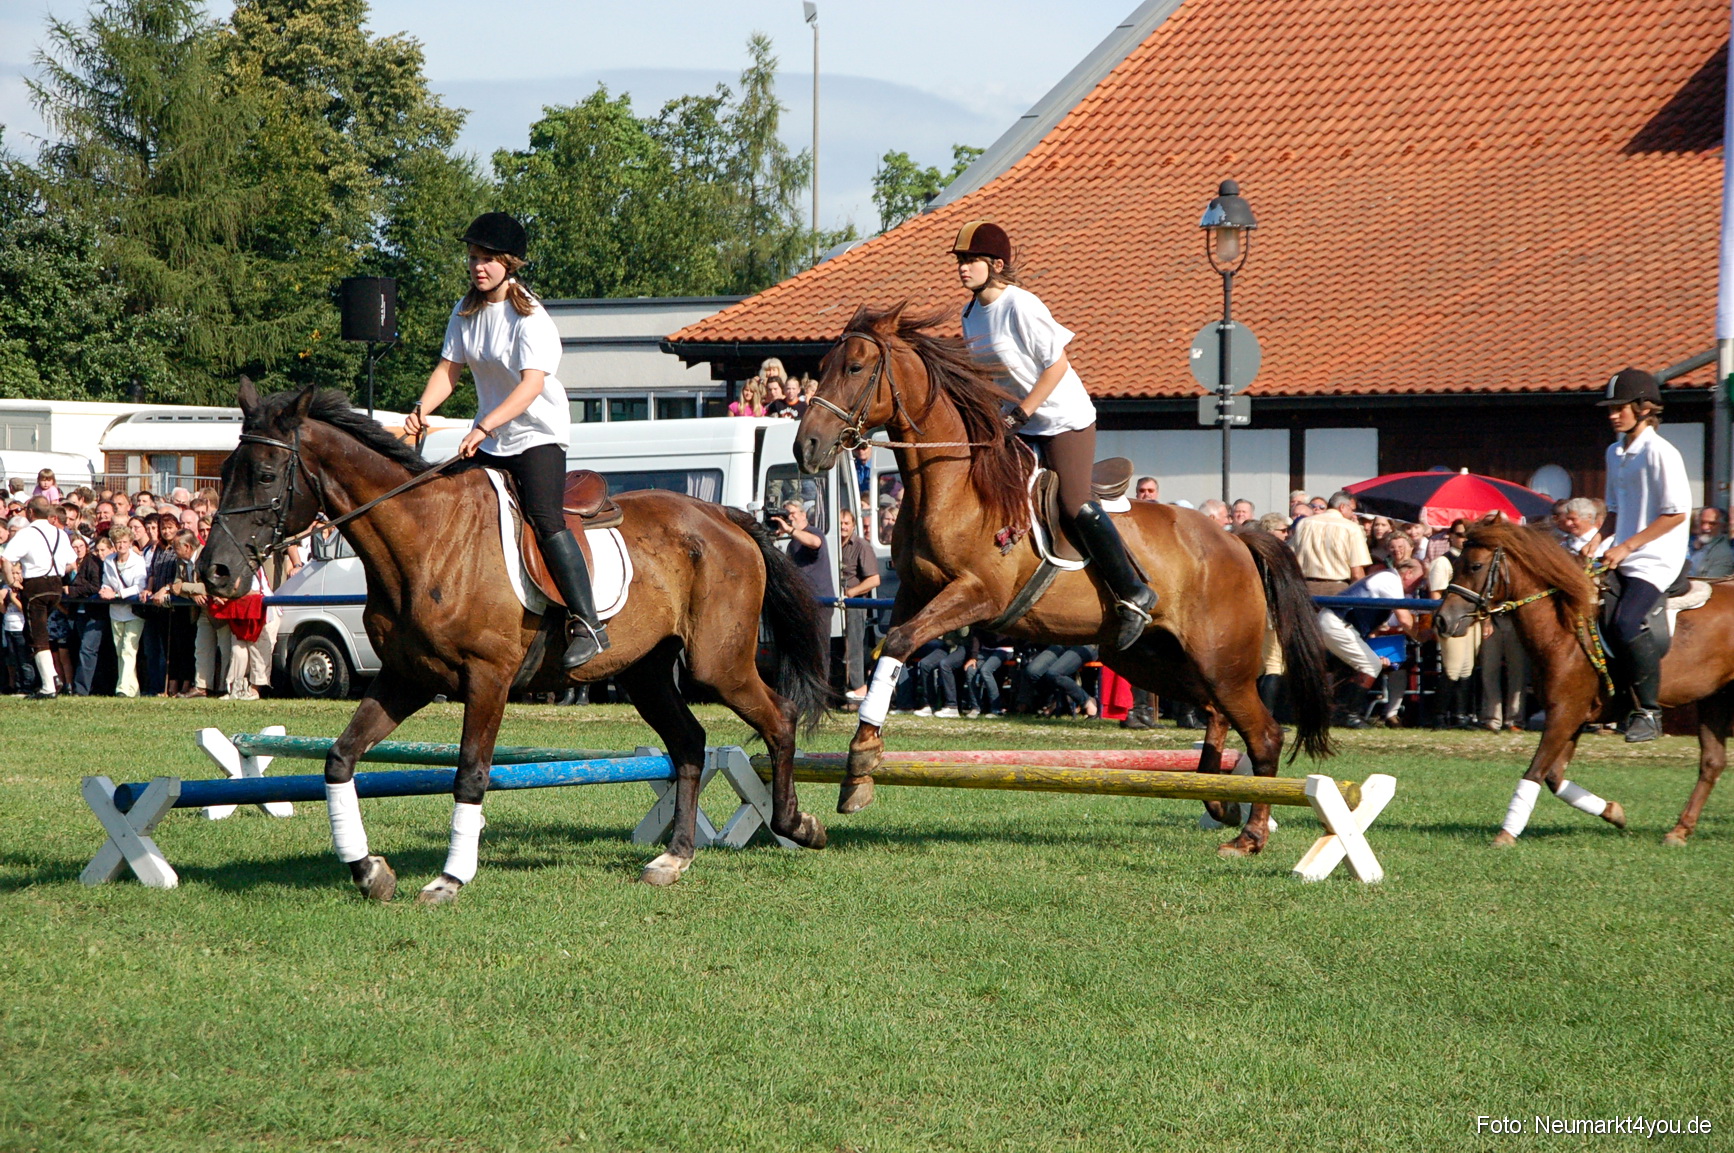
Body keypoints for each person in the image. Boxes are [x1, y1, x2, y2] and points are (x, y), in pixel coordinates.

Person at [403, 211, 607, 669]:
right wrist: (420, 411)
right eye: (473, 257)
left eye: (488, 258)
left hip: (536, 436)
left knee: (546, 519)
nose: (478, 266)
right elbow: (447, 372)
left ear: (510, 263)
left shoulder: (530, 317)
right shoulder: (465, 310)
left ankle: (589, 623)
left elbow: (530, 386)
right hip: (493, 438)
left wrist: (483, 426)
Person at [952, 219, 1155, 648]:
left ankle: (1134, 590)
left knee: (1074, 502)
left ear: (996, 264)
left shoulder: (1020, 305)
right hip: (1016, 422)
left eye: (971, 260)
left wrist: (1021, 413)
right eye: (960, 261)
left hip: (1064, 419)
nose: (963, 268)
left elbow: (1057, 365)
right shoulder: (970, 314)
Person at [1586, 367, 1691, 742]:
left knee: (1627, 623)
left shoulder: (1662, 452)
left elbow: (1677, 513)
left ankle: (1649, 711)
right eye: (1611, 409)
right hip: (1621, 551)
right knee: (1590, 615)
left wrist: (1628, 545)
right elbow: (1614, 510)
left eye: (1621, 407)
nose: (1614, 414)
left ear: (1645, 408)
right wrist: (1595, 538)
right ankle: (1608, 700)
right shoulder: (1615, 452)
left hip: (1657, 557)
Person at [3, 495, 75, 697]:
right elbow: (72, 562)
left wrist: (11, 582)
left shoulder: (28, 533)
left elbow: (6, 559)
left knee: (37, 635)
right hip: (56, 585)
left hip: (36, 585)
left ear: (30, 512)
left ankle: (49, 686)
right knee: (35, 632)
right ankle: (53, 676)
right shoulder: (61, 534)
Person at [1428, 519, 1479, 728]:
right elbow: (1435, 595)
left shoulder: (1472, 562)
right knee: (1452, 667)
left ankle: (1460, 715)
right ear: (1450, 536)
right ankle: (1439, 715)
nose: (1463, 539)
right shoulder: (1444, 562)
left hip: (1471, 619)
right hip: (1451, 619)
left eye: (1467, 535)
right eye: (1459, 534)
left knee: (1467, 668)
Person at [1291, 490, 1371, 595]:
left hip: (1306, 588)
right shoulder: (1351, 528)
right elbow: (1357, 573)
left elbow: (1290, 555)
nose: (1353, 514)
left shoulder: (1304, 523)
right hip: (1337, 590)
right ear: (1342, 507)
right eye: (1352, 510)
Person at [836, 508, 880, 700]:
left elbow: (874, 580)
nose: (843, 527)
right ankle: (837, 691)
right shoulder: (833, 546)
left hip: (855, 604)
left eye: (846, 523)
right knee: (836, 648)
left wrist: (852, 593)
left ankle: (857, 691)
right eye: (839, 523)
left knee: (854, 648)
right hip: (835, 603)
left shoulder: (862, 546)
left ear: (853, 525)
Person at [100, 523, 147, 697]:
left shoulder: (137, 560)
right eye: (118, 542)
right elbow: (106, 580)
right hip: (116, 611)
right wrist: (104, 590)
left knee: (129, 649)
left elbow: (139, 586)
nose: (121, 545)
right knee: (120, 650)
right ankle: (132, 689)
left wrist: (118, 594)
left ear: (130, 542)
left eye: (125, 542)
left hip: (133, 611)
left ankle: (121, 689)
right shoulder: (109, 560)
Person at [1687, 507, 1734, 578]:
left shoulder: (1723, 553)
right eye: (1702, 522)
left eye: (1712, 524)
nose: (1705, 527)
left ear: (1723, 526)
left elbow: (1711, 583)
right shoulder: (1692, 545)